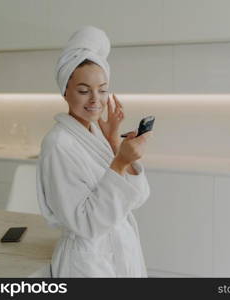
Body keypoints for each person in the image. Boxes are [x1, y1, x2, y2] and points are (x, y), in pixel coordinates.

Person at [36, 26, 152, 277]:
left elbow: (138, 197)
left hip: (118, 252)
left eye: (102, 89)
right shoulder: (58, 144)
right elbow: (85, 223)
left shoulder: (96, 135)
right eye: (83, 90)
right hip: (87, 263)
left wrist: (113, 143)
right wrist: (119, 162)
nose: (95, 100)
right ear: (65, 92)